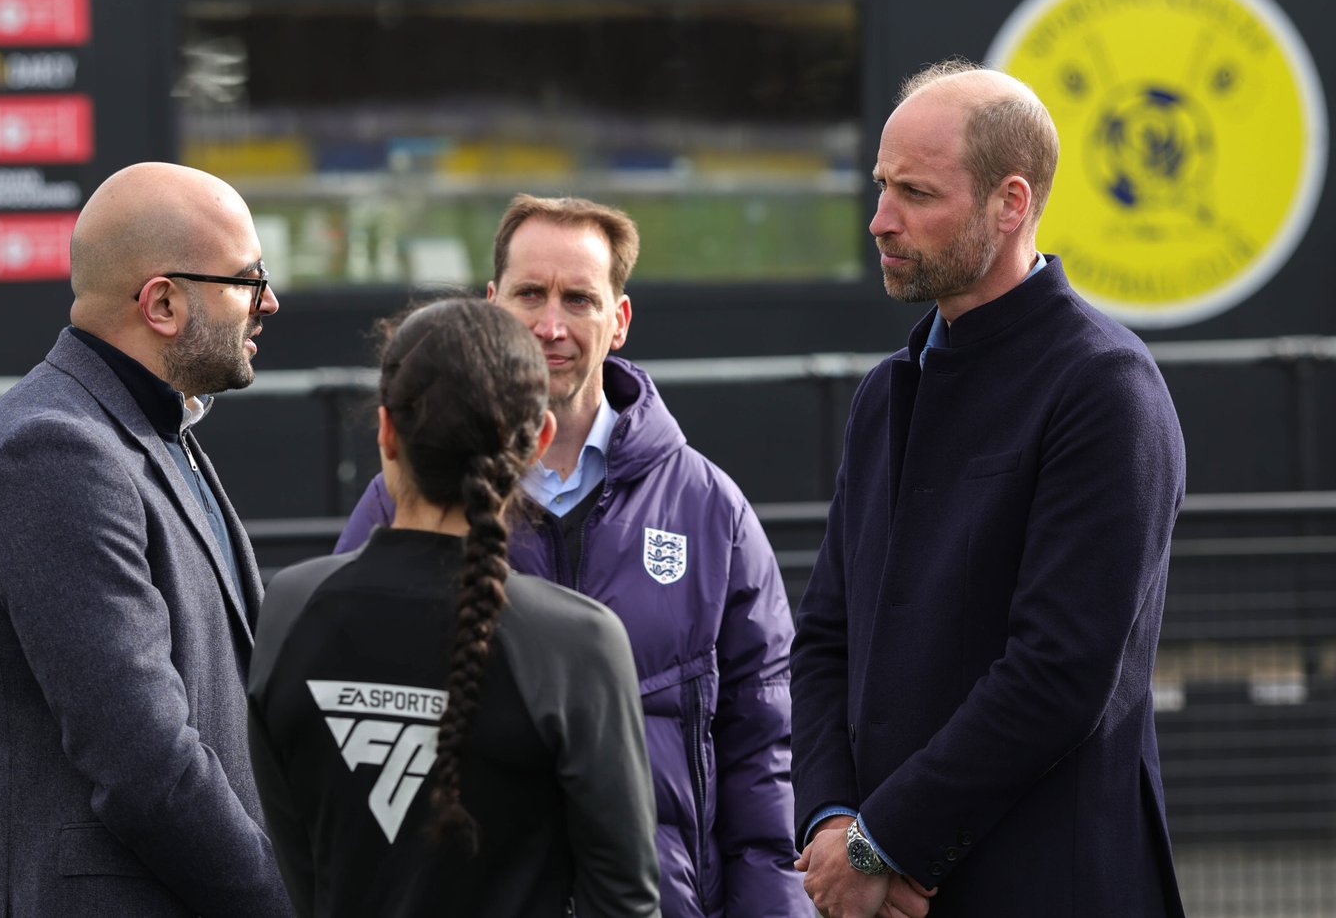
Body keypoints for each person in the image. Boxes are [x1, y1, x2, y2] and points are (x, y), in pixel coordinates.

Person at [791, 60, 1188, 918]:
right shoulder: (885, 392)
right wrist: (829, 821)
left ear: (1012, 203)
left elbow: (1061, 670)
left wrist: (880, 841)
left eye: (917, 194)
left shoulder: (1105, 387)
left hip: (1054, 885)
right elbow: (825, 637)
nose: (881, 220)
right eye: (882, 186)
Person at [336, 196, 807, 918]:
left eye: (579, 298)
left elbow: (763, 759)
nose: (551, 325)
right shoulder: (407, 501)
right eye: (530, 293)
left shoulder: (709, 510)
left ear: (618, 320)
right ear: (492, 305)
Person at [0, 162, 292, 917]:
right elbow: (144, 763)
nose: (269, 300)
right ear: (162, 301)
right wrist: (285, 900)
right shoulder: (55, 451)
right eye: (247, 278)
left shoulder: (153, 432)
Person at [247, 297, 660, 917]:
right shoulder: (578, 643)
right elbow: (624, 902)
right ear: (537, 440)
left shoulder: (289, 609)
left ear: (386, 429)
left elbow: (303, 876)